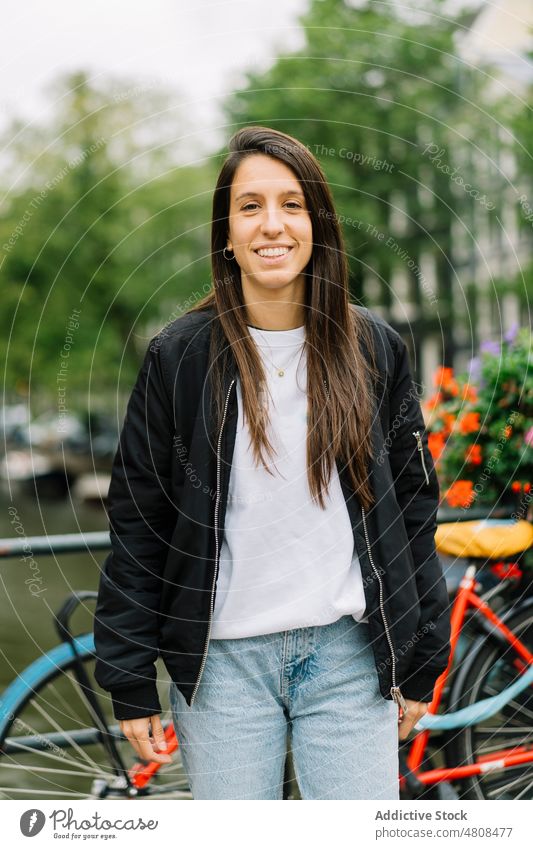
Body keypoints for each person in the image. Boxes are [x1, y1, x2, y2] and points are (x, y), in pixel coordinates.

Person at [93, 125, 451, 800]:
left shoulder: (374, 348)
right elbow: (138, 521)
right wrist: (130, 674)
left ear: (317, 223)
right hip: (221, 666)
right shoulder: (180, 357)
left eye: (291, 204)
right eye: (249, 206)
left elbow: (411, 505)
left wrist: (421, 657)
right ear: (225, 233)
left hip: (349, 658)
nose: (271, 224)